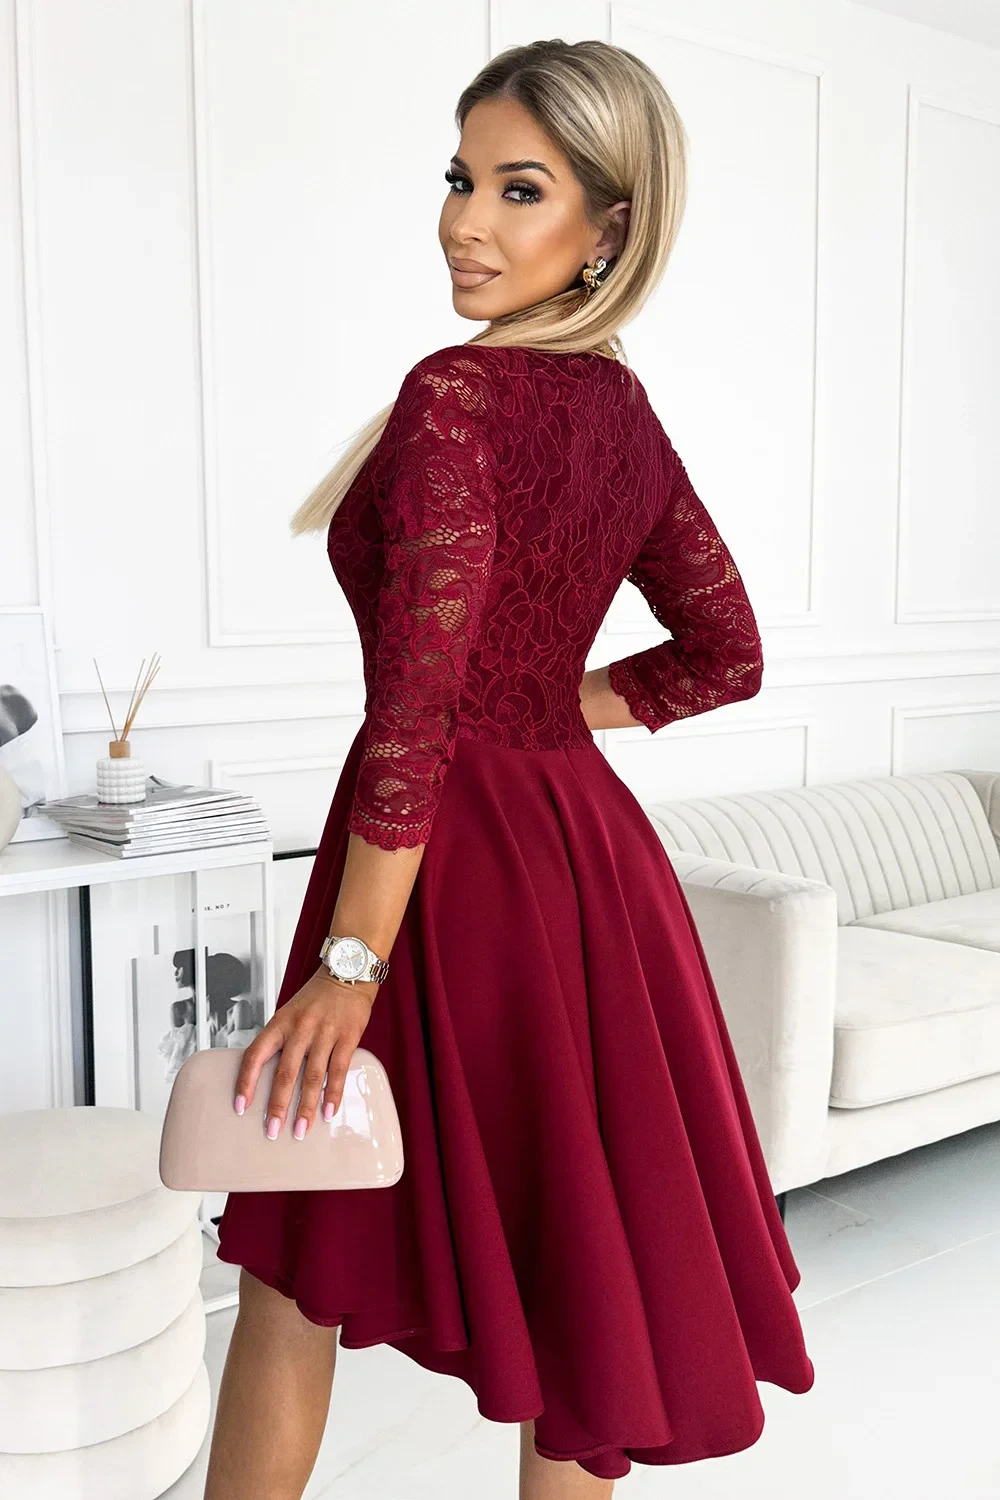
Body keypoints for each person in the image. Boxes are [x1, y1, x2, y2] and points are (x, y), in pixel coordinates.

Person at [206, 38, 815, 1500]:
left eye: (519, 188)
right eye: (461, 177)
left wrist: (351, 962)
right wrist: (542, 707)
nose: (465, 221)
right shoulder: (623, 417)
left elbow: (418, 712)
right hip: (580, 863)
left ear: (609, 226)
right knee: (578, 1276)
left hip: (434, 871)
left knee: (293, 1257)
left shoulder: (458, 398)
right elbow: (724, 654)